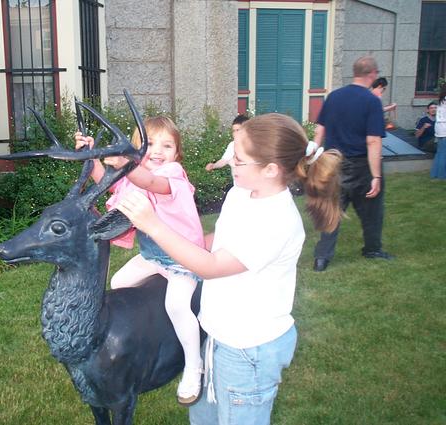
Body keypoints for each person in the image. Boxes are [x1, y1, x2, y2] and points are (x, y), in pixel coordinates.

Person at [116, 113, 343, 425]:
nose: (231, 162)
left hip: (248, 352)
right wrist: (181, 244)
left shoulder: (276, 221)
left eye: (238, 158)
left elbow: (210, 266)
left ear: (270, 169)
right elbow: (215, 242)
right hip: (218, 336)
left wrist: (154, 226)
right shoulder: (241, 193)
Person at [75, 116, 206, 406]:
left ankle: (193, 364)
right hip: (153, 257)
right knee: (119, 281)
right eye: (150, 145)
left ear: (177, 153)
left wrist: (127, 164)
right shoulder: (137, 174)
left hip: (182, 259)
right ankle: (147, 331)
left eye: (167, 145)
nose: (158, 151)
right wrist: (91, 155)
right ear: (137, 150)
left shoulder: (172, 175)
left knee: (178, 305)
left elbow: (150, 182)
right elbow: (110, 184)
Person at [312, 55, 393, 273]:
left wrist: (313, 156)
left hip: (332, 163)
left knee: (332, 210)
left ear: (355, 72)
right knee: (372, 210)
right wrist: (376, 176)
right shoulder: (372, 101)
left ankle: (321, 259)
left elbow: (320, 130)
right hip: (361, 165)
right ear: (373, 74)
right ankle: (372, 249)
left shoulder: (334, 97)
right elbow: (373, 140)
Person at [430, 85, 446, 179]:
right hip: (444, 129)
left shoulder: (441, 100)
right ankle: (441, 175)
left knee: (439, 152)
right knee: (443, 153)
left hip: (439, 129)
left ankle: (434, 174)